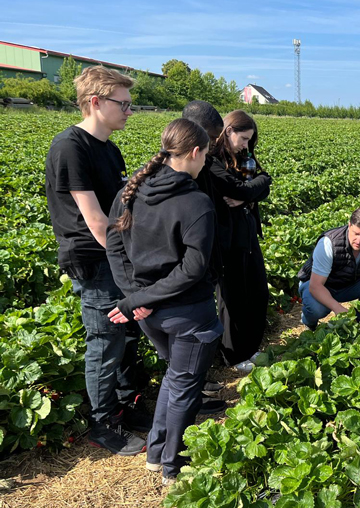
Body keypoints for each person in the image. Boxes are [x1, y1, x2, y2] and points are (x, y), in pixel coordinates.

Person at [106, 118, 222, 485]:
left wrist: (136, 297)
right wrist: (141, 298)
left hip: (148, 314)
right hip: (187, 314)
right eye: (206, 155)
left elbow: (113, 246)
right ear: (195, 152)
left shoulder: (131, 190)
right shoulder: (195, 202)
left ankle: (156, 454)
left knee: (175, 378)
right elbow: (193, 269)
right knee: (185, 387)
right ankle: (174, 467)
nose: (205, 162)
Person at [44, 65, 151, 456]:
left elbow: (121, 210)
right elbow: (96, 221)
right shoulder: (70, 147)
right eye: (123, 104)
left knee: (127, 334)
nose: (129, 111)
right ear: (95, 102)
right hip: (94, 258)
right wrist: (128, 268)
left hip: (115, 257)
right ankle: (103, 423)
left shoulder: (109, 148)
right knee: (105, 340)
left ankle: (126, 405)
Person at [208, 110, 272, 373]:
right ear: (228, 131)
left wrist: (251, 193)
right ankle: (233, 355)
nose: (246, 145)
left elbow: (261, 188)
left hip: (247, 234)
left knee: (257, 292)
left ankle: (250, 348)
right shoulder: (212, 160)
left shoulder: (244, 157)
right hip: (226, 239)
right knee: (232, 298)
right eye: (244, 138)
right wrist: (254, 188)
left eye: (249, 140)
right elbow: (238, 189)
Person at [180, 100, 229, 414]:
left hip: (201, 263)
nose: (213, 146)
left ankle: (196, 384)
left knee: (197, 332)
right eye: (210, 138)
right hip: (188, 269)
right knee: (190, 333)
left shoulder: (202, 164)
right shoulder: (181, 174)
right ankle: (191, 398)